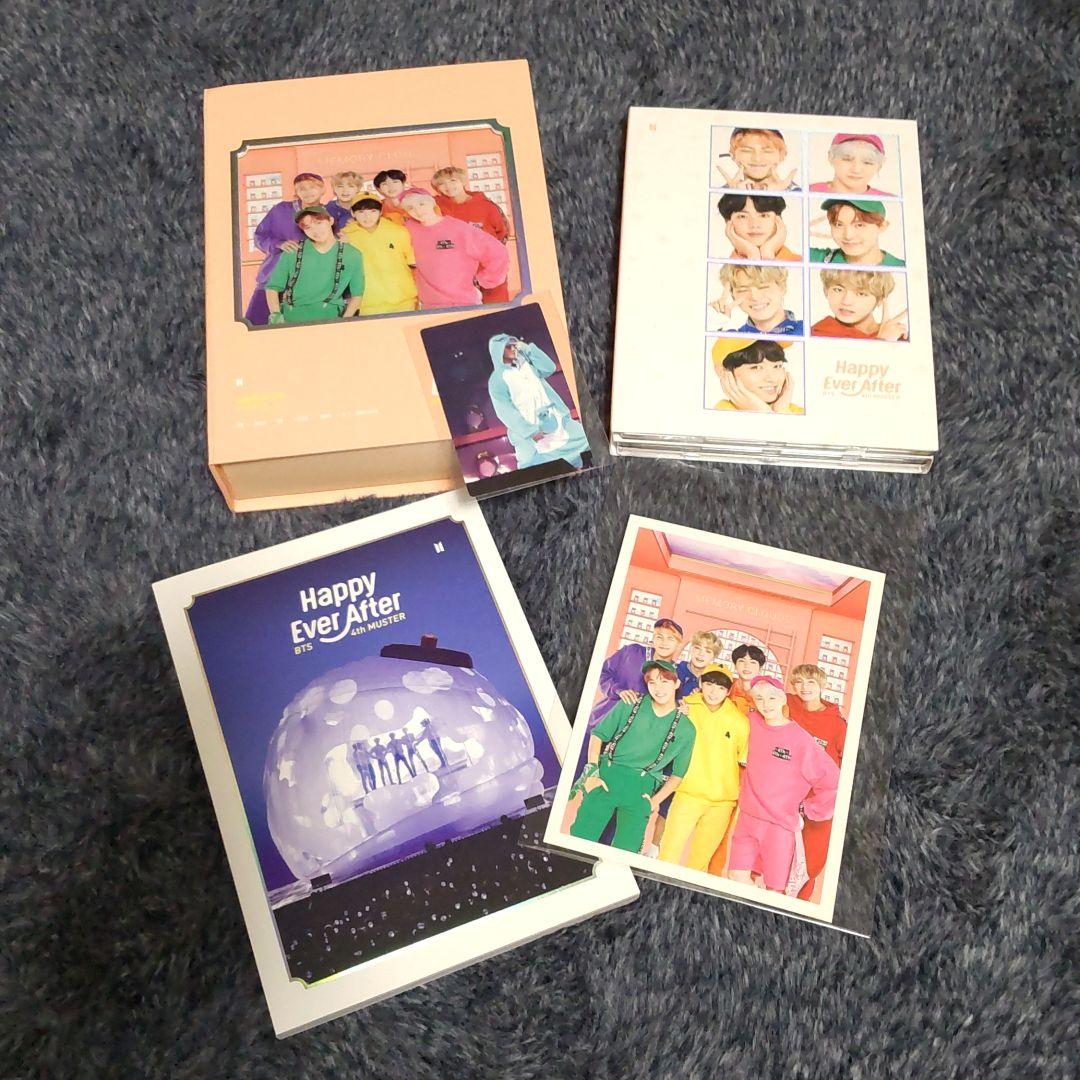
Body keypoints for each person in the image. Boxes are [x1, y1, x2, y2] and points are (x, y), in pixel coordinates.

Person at [726, 677, 839, 892]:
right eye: (759, 699)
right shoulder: (751, 723)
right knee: (735, 877)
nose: (766, 704)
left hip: (779, 826)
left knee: (775, 889)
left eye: (771, 698)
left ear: (782, 700)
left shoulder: (801, 740)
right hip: (747, 819)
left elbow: (833, 782)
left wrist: (807, 809)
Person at [570, 660, 696, 854]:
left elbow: (678, 775)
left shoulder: (686, 729)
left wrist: (654, 801)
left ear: (676, 684)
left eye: (664, 681)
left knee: (626, 851)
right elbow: (598, 735)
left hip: (641, 789)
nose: (658, 688)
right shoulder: (630, 704)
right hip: (607, 776)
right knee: (579, 840)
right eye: (652, 682)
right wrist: (592, 773)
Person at [658, 666, 749, 870]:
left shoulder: (740, 722)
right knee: (668, 854)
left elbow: (744, 760)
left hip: (722, 802)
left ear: (728, 691)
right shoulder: (685, 707)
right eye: (709, 684)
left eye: (721, 687)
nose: (713, 692)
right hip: (687, 793)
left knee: (699, 863)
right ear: (700, 684)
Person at [786, 664, 847, 900]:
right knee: (779, 856)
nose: (804, 687)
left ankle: (800, 903)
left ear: (822, 685)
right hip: (787, 796)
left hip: (820, 803)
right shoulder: (787, 705)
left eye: (810, 682)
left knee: (810, 860)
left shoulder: (837, 724)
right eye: (799, 682)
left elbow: (848, 764)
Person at [487, 333, 590, 470]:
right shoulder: (497, 380)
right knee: (537, 466)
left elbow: (550, 368)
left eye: (513, 345)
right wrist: (531, 432)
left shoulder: (526, 365)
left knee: (587, 440)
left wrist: (527, 348)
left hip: (556, 420)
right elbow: (505, 412)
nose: (513, 348)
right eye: (508, 347)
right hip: (532, 432)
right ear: (498, 350)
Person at [399, 188, 509, 308]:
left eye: (422, 204)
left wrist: (484, 280)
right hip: (429, 305)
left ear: (431, 203)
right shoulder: (408, 229)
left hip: (464, 303)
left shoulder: (459, 229)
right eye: (410, 208)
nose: (418, 210)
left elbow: (498, 252)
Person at [245, 172, 328, 324]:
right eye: (301, 188)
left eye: (312, 187)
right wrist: (278, 244)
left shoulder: (328, 214)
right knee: (255, 325)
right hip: (271, 279)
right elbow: (259, 237)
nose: (307, 192)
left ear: (323, 189)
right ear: (296, 192)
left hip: (307, 287)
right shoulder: (280, 210)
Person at [264, 205, 364, 324]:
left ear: (331, 221)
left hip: (331, 320)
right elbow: (272, 287)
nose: (315, 231)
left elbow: (357, 294)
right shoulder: (292, 251)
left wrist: (345, 321)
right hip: (292, 319)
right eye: (308, 227)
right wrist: (276, 315)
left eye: (319, 223)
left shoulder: (352, 254)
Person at [431, 166, 511, 303]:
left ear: (462, 181)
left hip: (488, 268)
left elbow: (503, 232)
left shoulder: (487, 206)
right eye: (441, 184)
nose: (448, 186)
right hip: (457, 272)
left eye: (452, 180)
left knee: (496, 308)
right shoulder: (436, 205)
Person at [589, 618, 684, 727]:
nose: (664, 642)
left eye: (670, 638)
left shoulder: (677, 674)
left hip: (635, 731)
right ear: (653, 639)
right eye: (659, 637)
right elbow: (603, 672)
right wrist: (619, 690)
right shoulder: (632, 652)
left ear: (679, 644)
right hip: (602, 720)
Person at [340, 196, 419, 314]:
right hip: (368, 304)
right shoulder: (346, 236)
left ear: (380, 211)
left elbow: (414, 264)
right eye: (361, 212)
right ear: (353, 213)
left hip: (403, 301)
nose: (367, 217)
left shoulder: (399, 231)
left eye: (373, 211)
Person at [711, 339, 804, 414]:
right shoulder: (717, 417)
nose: (772, 379)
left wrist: (781, 411)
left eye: (777, 366)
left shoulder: (797, 412)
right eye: (756, 367)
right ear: (722, 371)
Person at [812, 269, 908, 341]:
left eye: (861, 293)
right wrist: (882, 342)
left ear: (880, 299)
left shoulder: (897, 334)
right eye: (838, 289)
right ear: (826, 290)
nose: (846, 302)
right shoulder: (818, 333)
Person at [711, 265, 803, 336]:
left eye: (763, 287)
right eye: (743, 290)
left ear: (782, 287)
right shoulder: (732, 339)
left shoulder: (807, 330)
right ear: (732, 295)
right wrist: (716, 324)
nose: (755, 297)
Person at [809, 199, 904, 266]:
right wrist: (802, 230)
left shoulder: (902, 267)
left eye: (859, 225)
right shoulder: (818, 259)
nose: (848, 236)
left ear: (882, 226)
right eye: (839, 224)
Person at [716, 194, 801, 261]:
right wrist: (752, 255)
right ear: (728, 222)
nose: (754, 225)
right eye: (742, 216)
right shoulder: (721, 272)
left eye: (764, 215)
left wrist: (768, 254)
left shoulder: (802, 264)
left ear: (779, 219)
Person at [809, 133, 894, 196]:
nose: (856, 170)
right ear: (831, 157)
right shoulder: (808, 192)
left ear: (880, 165)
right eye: (847, 159)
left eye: (867, 162)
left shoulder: (890, 202)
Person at [716, 128, 799, 190]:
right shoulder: (721, 193)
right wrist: (735, 196)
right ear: (733, 155)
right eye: (747, 151)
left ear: (782, 155)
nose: (757, 159)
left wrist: (780, 195)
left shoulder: (798, 192)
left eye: (767, 151)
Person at [676, 631, 721, 700]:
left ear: (714, 656)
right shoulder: (675, 671)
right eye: (697, 648)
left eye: (708, 651)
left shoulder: (715, 680)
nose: (701, 654)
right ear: (691, 649)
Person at [727, 643, 768, 715]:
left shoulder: (768, 692)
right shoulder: (726, 685)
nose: (747, 666)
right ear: (735, 665)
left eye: (753, 662)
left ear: (760, 668)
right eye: (742, 661)